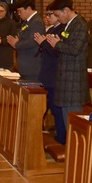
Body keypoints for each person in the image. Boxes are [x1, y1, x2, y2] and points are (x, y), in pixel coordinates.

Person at [45, 0, 88, 144]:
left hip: (73, 79)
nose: (57, 18)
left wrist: (57, 44)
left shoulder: (79, 25)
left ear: (66, 10)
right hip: (65, 78)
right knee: (65, 116)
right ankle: (68, 146)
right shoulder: (69, 25)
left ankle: (75, 148)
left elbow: (75, 49)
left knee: (72, 119)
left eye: (58, 14)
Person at [35, 8, 63, 137]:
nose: (48, 17)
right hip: (47, 74)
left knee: (56, 108)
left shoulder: (62, 30)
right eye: (46, 14)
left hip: (54, 74)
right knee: (50, 105)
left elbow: (57, 53)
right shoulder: (51, 30)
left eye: (50, 14)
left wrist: (43, 44)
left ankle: (61, 137)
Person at [11, 0, 42, 81]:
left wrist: (16, 44)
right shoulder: (27, 22)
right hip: (25, 65)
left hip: (31, 66)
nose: (19, 14)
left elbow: (33, 41)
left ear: (28, 8)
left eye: (20, 11)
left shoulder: (37, 22)